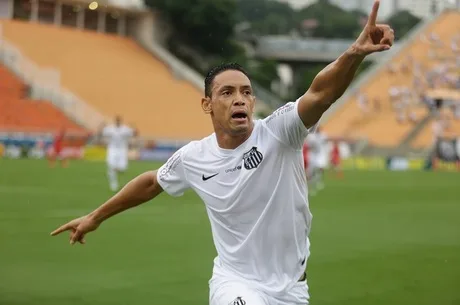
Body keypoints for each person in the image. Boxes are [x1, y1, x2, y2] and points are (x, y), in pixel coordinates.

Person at [50, 3, 394, 304]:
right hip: (237, 285)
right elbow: (152, 182)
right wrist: (95, 216)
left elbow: (320, 94)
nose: (239, 99)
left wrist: (354, 54)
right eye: (227, 92)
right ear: (207, 104)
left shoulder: (279, 131)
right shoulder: (193, 157)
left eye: (246, 92)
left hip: (292, 291)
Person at [99, 116, 137, 191]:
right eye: (116, 121)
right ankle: (114, 183)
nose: (117, 122)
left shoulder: (125, 129)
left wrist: (133, 127)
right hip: (112, 149)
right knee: (111, 166)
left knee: (123, 168)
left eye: (119, 121)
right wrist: (102, 125)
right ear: (115, 121)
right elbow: (102, 132)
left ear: (120, 121)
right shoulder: (110, 129)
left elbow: (134, 133)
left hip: (122, 149)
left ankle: (114, 171)